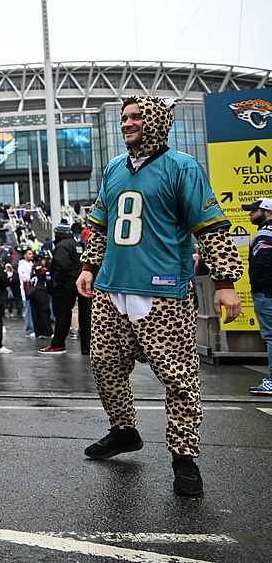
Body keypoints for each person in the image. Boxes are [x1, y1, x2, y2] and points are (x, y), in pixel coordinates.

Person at [77, 95, 243, 497]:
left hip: (163, 291)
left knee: (178, 378)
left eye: (136, 117)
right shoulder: (115, 168)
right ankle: (124, 430)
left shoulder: (182, 167)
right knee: (104, 366)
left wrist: (224, 283)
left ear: (155, 121)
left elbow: (211, 227)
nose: (127, 123)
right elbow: (99, 225)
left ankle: (184, 459)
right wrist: (88, 266)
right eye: (124, 118)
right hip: (111, 289)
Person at [40, 222, 90, 355]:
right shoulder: (78, 245)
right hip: (81, 283)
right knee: (85, 316)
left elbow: (62, 266)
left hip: (65, 286)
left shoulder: (62, 246)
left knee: (62, 315)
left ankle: (58, 344)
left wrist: (56, 282)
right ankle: (87, 347)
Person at [245, 197, 272, 395]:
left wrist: (258, 288)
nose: (250, 213)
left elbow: (263, 264)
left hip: (267, 293)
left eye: (254, 210)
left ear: (267, 212)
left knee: (270, 336)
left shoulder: (265, 234)